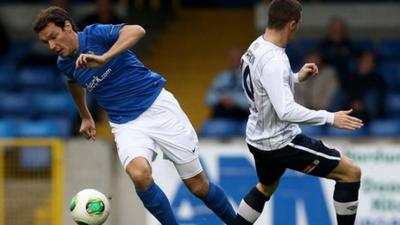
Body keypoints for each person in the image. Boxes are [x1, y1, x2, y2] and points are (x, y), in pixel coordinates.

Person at [32, 6, 235, 225]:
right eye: (46, 42)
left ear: (68, 26)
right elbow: (73, 83)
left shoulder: (95, 34)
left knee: (198, 187)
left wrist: (104, 57)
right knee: (139, 174)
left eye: (53, 37)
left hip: (158, 108)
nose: (52, 46)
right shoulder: (64, 63)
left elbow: (137, 30)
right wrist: (86, 115)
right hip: (126, 124)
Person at [236, 1, 363, 225]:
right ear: (292, 24)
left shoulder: (256, 47)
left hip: (257, 138)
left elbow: (263, 84)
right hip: (281, 143)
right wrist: (331, 117)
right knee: (351, 173)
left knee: (266, 186)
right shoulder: (275, 59)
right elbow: (285, 111)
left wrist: (294, 77)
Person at [206, 48, 249, 121]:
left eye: (236, 57)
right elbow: (209, 99)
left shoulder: (249, 78)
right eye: (231, 57)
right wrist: (220, 99)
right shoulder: (220, 78)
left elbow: (254, 103)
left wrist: (234, 100)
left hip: (244, 118)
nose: (233, 60)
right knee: (208, 129)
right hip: (222, 117)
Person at [346, 49, 386, 124]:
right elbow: (345, 93)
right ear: (359, 61)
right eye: (365, 60)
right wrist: (353, 103)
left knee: (372, 95)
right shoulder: (350, 78)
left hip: (369, 114)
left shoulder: (379, 79)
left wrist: (362, 105)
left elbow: (380, 99)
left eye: (371, 61)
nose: (367, 63)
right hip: (350, 110)